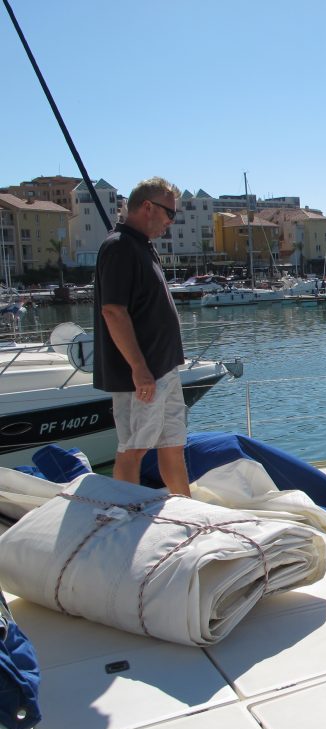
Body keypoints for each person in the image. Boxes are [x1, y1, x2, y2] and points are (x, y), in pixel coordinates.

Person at [93, 177, 190, 496]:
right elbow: (113, 312)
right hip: (142, 375)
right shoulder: (119, 247)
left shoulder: (141, 247)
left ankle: (188, 511)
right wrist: (138, 367)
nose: (171, 222)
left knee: (172, 446)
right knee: (134, 448)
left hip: (164, 368)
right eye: (169, 214)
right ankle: (124, 516)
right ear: (148, 207)